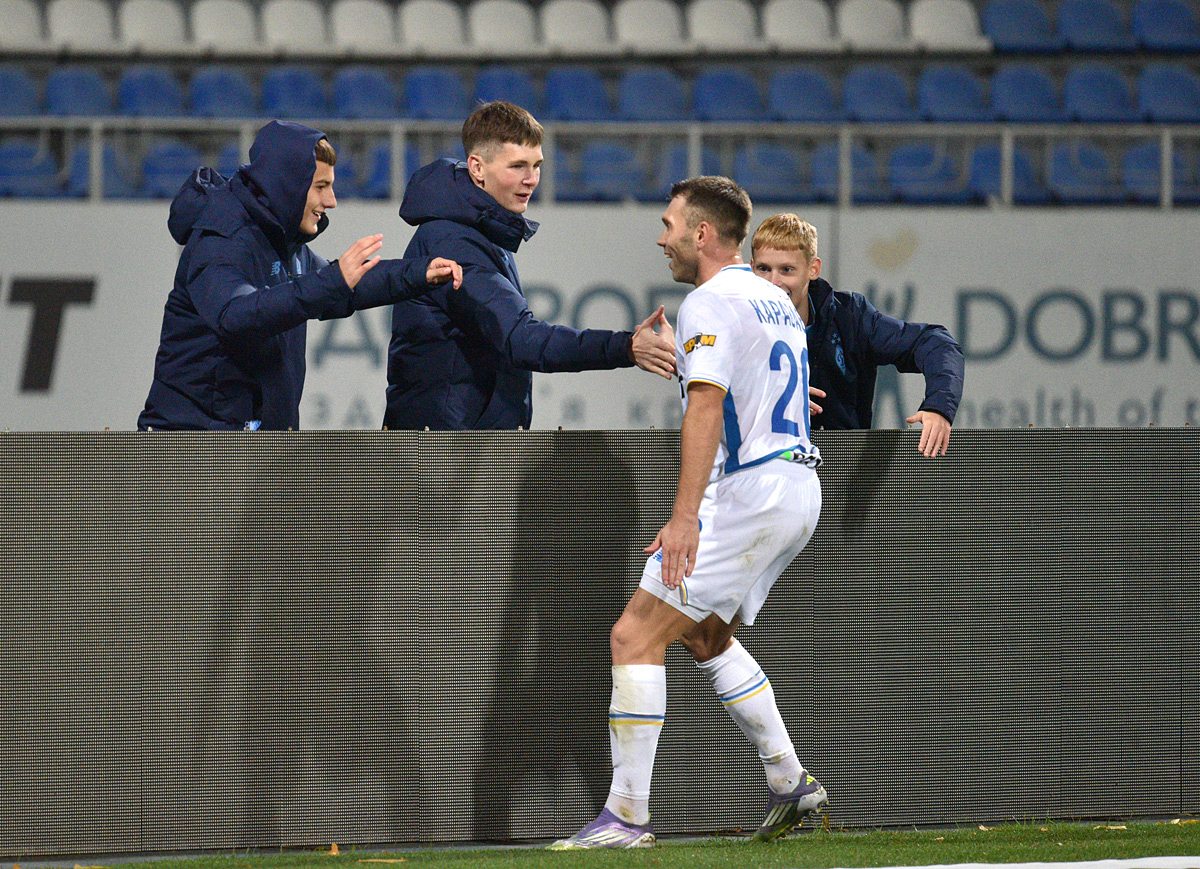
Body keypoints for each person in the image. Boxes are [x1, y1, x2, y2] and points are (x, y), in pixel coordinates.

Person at [552, 177, 826, 850]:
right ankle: (789, 779)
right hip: (798, 485)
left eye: (669, 223)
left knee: (634, 636)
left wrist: (684, 519)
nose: (661, 237)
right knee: (704, 634)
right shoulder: (774, 299)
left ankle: (626, 816)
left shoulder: (709, 300)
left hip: (752, 491)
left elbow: (707, 409)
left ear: (702, 234)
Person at [138, 120, 462, 431]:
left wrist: (419, 272)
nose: (331, 201)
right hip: (192, 446)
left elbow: (347, 284)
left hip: (246, 443)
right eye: (321, 186)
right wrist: (332, 281)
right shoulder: (221, 238)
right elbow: (234, 314)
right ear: (285, 186)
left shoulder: (283, 243)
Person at [384, 100, 676, 431]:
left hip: (461, 444)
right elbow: (521, 339)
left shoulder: (480, 229)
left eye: (537, 165)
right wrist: (626, 347)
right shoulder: (453, 242)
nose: (531, 179)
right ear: (477, 168)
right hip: (443, 451)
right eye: (518, 166)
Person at [750, 213, 963, 457]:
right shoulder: (734, 324)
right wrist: (769, 393)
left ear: (813, 269)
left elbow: (936, 343)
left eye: (787, 270)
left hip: (843, 469)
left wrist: (939, 407)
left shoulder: (849, 317)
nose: (773, 282)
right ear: (751, 268)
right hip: (758, 469)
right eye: (764, 269)